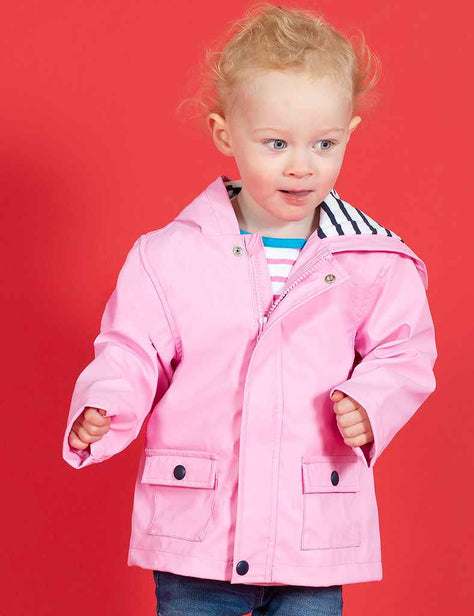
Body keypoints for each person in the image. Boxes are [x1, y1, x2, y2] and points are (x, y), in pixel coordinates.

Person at [62, 3, 438, 615]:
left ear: (349, 132)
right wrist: (105, 403)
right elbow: (131, 349)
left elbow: (405, 351)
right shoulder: (170, 255)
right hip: (199, 527)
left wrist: (372, 402)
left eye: (324, 143)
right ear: (225, 134)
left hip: (310, 530)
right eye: (276, 143)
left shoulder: (369, 259)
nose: (301, 165)